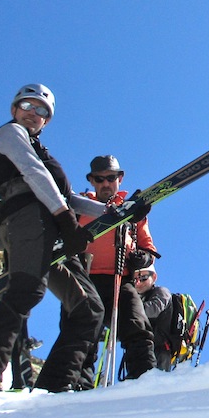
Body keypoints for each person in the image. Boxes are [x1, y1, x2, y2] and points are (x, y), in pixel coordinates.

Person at [0, 84, 121, 392]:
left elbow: (68, 197)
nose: (34, 114)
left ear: (47, 121)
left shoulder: (39, 148)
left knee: (89, 309)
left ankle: (55, 387)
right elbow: (33, 174)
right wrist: (65, 218)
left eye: (42, 111)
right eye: (28, 106)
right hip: (26, 219)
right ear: (14, 109)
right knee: (26, 290)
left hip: (53, 229)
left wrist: (112, 212)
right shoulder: (10, 134)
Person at [79, 155, 159, 381]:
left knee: (137, 325)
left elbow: (148, 248)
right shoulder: (80, 204)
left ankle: (145, 379)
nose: (106, 183)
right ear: (92, 180)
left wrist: (141, 259)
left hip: (119, 279)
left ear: (119, 179)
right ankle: (78, 384)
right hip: (83, 279)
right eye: (99, 179)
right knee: (82, 333)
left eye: (111, 178)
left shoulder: (134, 211)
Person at [132, 264, 179, 371]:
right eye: (134, 280)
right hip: (141, 352)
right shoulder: (138, 299)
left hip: (160, 351)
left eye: (143, 278)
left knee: (156, 385)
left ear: (154, 277)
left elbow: (153, 310)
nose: (138, 283)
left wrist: (128, 311)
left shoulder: (162, 292)